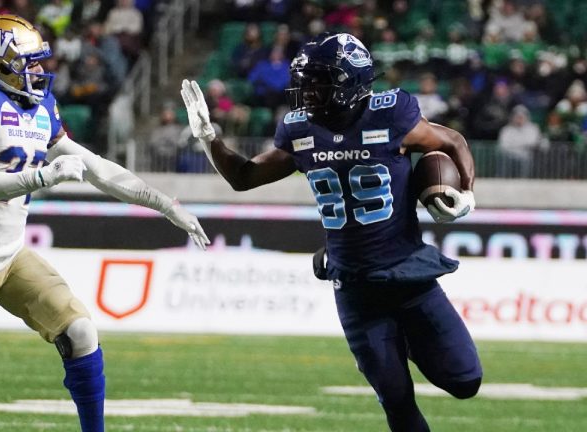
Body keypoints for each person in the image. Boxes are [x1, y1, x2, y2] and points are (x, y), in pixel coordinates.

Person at [0, 14, 210, 432]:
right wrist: (43, 176)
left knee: (80, 331)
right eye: (27, 62)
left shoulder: (38, 105)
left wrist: (165, 205)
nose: (40, 71)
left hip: (10, 256)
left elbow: (97, 168)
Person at [181, 32, 482, 432]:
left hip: (409, 275)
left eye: (319, 80)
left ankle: (405, 338)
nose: (307, 90)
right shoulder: (299, 129)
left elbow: (452, 140)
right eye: (305, 81)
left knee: (465, 382)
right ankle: (393, 341)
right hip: (355, 286)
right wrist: (208, 138)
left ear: (350, 81)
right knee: (396, 401)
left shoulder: (391, 113)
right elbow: (243, 177)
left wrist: (466, 193)